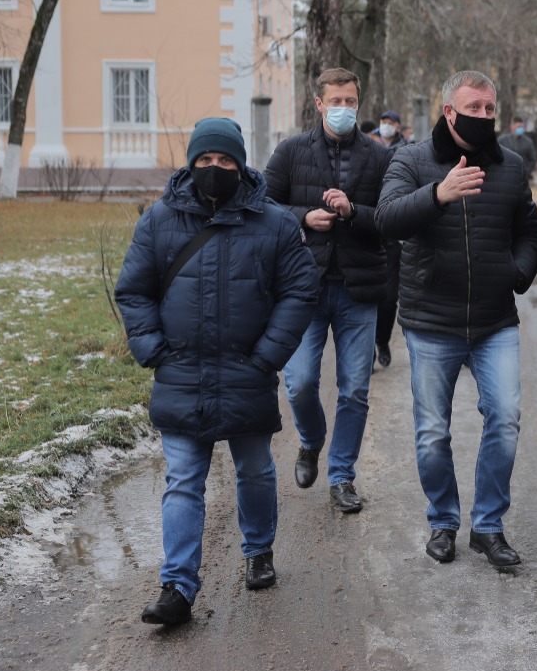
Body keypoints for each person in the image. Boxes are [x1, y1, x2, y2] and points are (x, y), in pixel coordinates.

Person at [116, 117, 318, 626]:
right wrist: (153, 350)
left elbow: (299, 291)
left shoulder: (274, 222)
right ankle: (178, 587)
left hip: (247, 372)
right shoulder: (159, 220)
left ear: (241, 164)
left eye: (224, 161)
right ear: (191, 163)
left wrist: (268, 356)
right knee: (183, 480)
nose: (214, 169)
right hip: (180, 373)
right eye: (204, 160)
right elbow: (133, 290)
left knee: (254, 469)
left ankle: (258, 550)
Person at [376, 70, 537, 567]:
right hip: (432, 321)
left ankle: (488, 526)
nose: (484, 117)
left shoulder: (510, 167)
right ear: (448, 111)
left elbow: (532, 233)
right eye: (474, 109)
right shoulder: (410, 159)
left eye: (490, 110)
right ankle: (443, 521)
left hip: (495, 321)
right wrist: (439, 194)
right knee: (433, 431)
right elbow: (385, 219)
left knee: (506, 418)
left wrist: (516, 273)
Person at [264, 68, 390, 514]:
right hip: (304, 288)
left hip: (359, 287)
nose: (343, 109)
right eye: (335, 101)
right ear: (318, 104)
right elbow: (262, 205)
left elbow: (392, 218)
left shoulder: (379, 157)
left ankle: (341, 476)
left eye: (350, 102)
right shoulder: (291, 151)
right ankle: (311, 440)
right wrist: (303, 217)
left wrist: (353, 211)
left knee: (355, 388)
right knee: (298, 383)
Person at [373, 109, 408, 368]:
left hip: (392, 234)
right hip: (365, 227)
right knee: (364, 298)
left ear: (397, 127)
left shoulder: (406, 150)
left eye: (391, 123)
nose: (386, 126)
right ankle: (368, 353)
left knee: (387, 297)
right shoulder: (366, 144)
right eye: (383, 122)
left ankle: (382, 339)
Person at [497, 116, 537, 181]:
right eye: (518, 127)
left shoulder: (528, 142)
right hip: (505, 177)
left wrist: (526, 172)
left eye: (522, 127)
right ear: (512, 126)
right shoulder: (502, 140)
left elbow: (533, 159)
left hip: (522, 177)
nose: (521, 129)